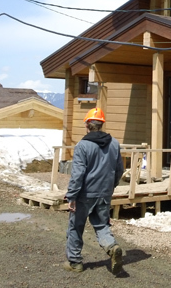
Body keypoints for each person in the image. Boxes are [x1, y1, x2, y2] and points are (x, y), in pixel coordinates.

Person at [64, 107, 124, 274]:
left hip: (85, 195)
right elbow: (119, 169)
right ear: (102, 124)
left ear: (87, 125)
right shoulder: (114, 144)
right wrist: (111, 187)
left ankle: (75, 262)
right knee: (102, 225)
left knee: (76, 227)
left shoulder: (82, 145)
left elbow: (78, 174)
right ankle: (112, 246)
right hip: (104, 193)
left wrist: (72, 196)